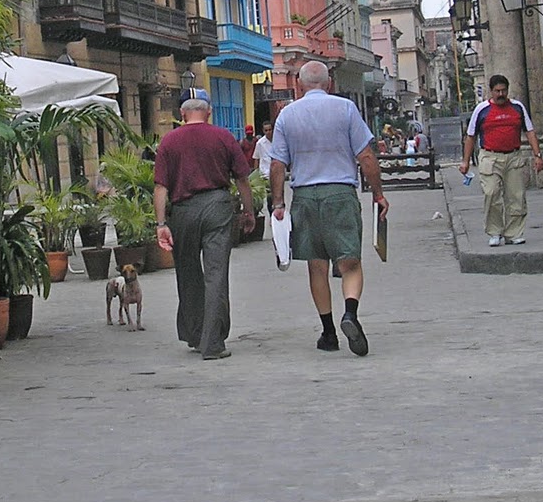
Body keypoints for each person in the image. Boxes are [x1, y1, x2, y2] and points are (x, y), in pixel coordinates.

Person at [268, 60, 388, 356]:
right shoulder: (345, 109)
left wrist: (278, 203)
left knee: (317, 266)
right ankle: (350, 312)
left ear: (298, 84)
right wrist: (378, 194)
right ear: (329, 83)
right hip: (340, 193)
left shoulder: (286, 116)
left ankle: (329, 332)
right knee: (350, 263)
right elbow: (366, 156)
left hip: (305, 197)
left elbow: (277, 165)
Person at [153, 98, 255, 360]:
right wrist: (248, 211)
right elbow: (242, 179)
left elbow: (161, 187)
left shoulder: (169, 141)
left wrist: (161, 224)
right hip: (216, 207)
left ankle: (196, 334)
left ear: (182, 114)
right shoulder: (223, 137)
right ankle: (213, 343)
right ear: (209, 113)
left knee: (188, 274)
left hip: (183, 211)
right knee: (216, 274)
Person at [458, 75, 543, 247]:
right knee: (491, 193)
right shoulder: (481, 110)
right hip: (490, 156)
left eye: (503, 90)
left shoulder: (518, 108)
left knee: (516, 196)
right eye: (497, 91)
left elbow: (530, 131)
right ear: (491, 91)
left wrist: (537, 155)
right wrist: (465, 162)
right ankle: (494, 231)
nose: (501, 94)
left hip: (513, 157)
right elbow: (470, 137)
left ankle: (514, 232)